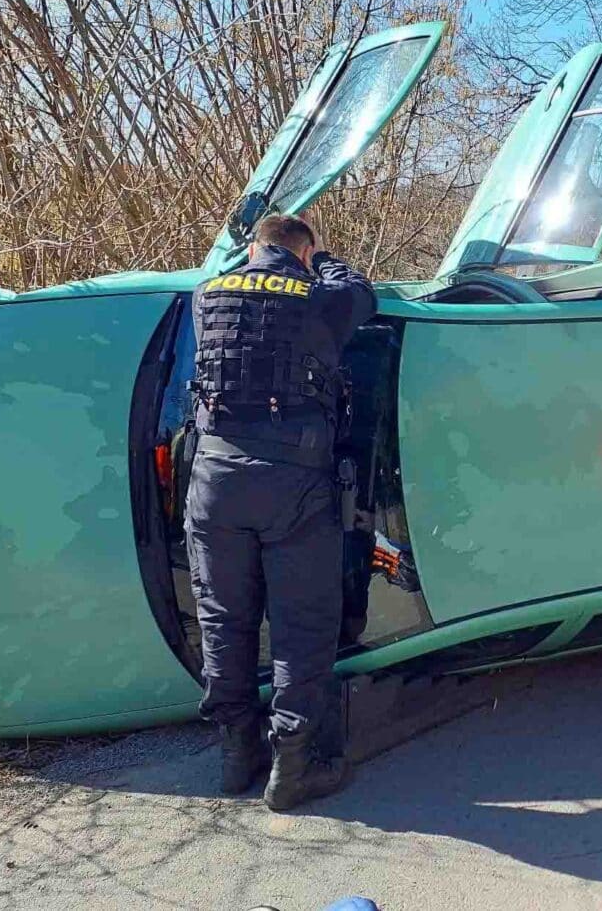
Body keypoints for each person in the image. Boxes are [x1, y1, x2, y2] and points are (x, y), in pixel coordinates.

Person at [186, 213, 376, 808]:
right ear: (304, 250)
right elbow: (360, 293)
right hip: (292, 479)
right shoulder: (319, 298)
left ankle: (235, 754)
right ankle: (293, 769)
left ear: (251, 246)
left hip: (213, 478)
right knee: (302, 625)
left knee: (224, 619)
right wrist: (323, 262)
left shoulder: (206, 293)